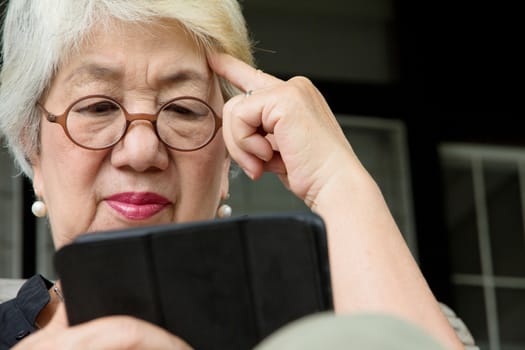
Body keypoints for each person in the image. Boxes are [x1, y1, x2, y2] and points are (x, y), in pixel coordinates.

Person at [0, 1, 464, 349]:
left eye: (183, 109)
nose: (142, 152)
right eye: (98, 106)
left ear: (228, 159)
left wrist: (337, 180)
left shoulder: (345, 327)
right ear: (32, 147)